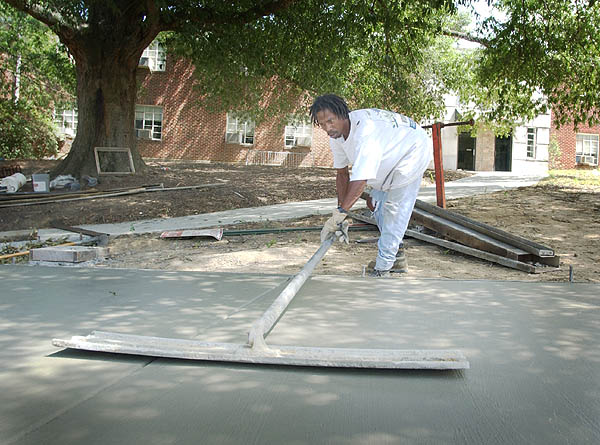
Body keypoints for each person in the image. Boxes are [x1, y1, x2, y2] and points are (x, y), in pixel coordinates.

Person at [309, 94, 432, 277]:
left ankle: (383, 268)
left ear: (343, 115)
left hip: (413, 151)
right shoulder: (336, 137)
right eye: (322, 124)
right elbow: (342, 174)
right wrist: (341, 212)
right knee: (375, 204)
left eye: (331, 121)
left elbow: (360, 181)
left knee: (393, 210)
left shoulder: (365, 131)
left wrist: (342, 212)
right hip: (390, 156)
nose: (328, 128)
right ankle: (396, 257)